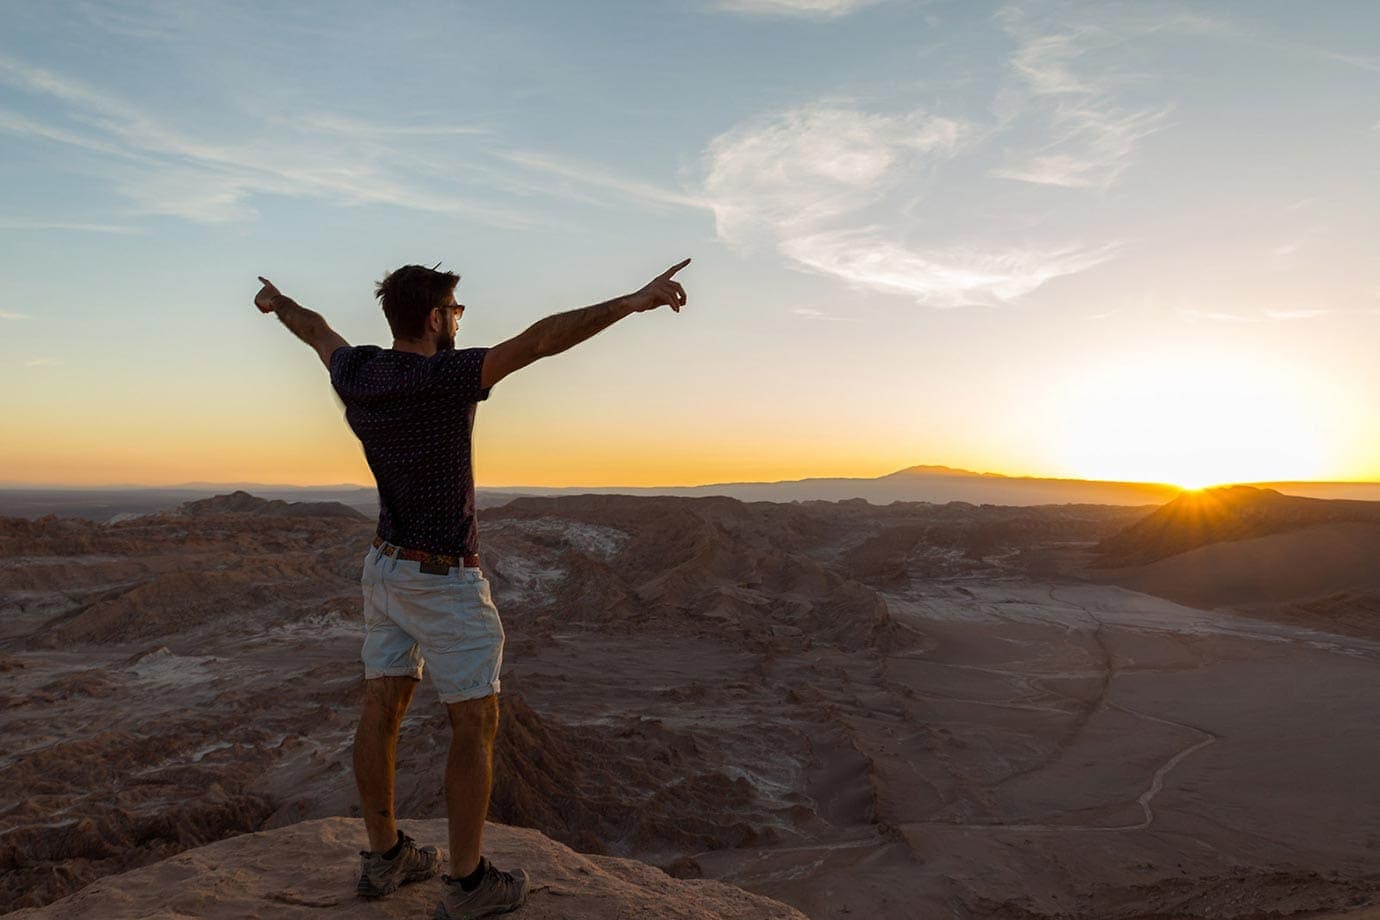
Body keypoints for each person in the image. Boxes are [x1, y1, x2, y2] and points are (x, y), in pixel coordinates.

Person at [253, 258, 690, 919]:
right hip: (441, 578)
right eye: (455, 312)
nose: (460, 322)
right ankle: (466, 884)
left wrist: (276, 300)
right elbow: (543, 339)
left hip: (386, 566)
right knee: (475, 723)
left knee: (382, 708)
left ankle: (385, 858)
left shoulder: (358, 371)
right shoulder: (445, 376)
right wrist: (632, 301)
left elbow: (314, 328)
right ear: (434, 319)